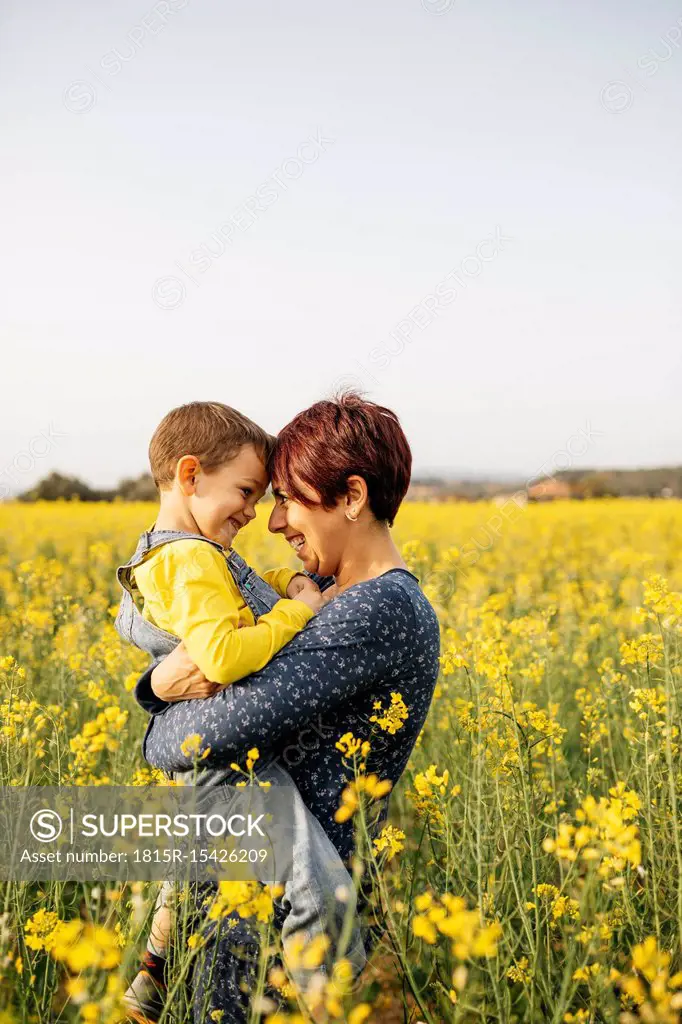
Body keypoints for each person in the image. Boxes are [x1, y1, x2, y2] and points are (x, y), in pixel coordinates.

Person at [132, 393, 442, 1023]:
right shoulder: (327, 596)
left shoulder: (375, 609)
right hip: (244, 890)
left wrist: (157, 700)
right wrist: (161, 682)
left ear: (352, 497)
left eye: (287, 498)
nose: (272, 522)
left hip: (287, 913)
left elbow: (194, 741)